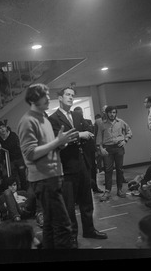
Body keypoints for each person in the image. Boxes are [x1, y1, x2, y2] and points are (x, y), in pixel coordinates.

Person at [18, 83, 79, 249]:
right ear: (34, 99)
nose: (49, 98)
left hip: (53, 177)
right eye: (45, 95)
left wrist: (61, 144)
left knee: (51, 225)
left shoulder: (44, 118)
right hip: (43, 179)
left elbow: (49, 146)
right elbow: (30, 153)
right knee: (64, 227)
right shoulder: (27, 121)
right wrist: (57, 142)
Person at [49, 87, 108, 248]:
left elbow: (88, 130)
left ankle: (89, 230)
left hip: (83, 163)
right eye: (67, 95)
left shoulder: (77, 115)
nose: (71, 97)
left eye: (72, 95)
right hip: (67, 166)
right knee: (69, 205)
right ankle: (72, 236)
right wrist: (78, 135)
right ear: (60, 98)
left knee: (87, 201)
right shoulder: (53, 118)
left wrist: (81, 135)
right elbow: (59, 140)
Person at [96, 105, 132, 201]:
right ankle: (107, 191)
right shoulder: (102, 124)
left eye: (114, 112)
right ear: (107, 113)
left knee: (119, 169)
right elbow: (99, 137)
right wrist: (101, 148)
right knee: (108, 170)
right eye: (110, 112)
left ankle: (120, 190)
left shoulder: (120, 122)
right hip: (107, 149)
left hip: (119, 147)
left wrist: (125, 140)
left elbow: (129, 131)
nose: (112, 114)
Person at [73, 107, 103, 193]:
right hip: (79, 151)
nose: (80, 115)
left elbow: (90, 132)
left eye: (81, 113)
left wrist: (96, 149)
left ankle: (95, 187)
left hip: (89, 149)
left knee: (93, 169)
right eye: (78, 113)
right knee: (82, 172)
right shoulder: (73, 123)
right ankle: (83, 191)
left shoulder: (88, 121)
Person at [0, 120, 28, 191]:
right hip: (9, 160)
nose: (2, 129)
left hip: (18, 158)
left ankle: (25, 191)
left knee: (22, 175)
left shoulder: (13, 135)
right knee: (13, 176)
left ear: (6, 127)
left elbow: (12, 146)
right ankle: (17, 191)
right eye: (0, 128)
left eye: (3, 127)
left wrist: (1, 146)